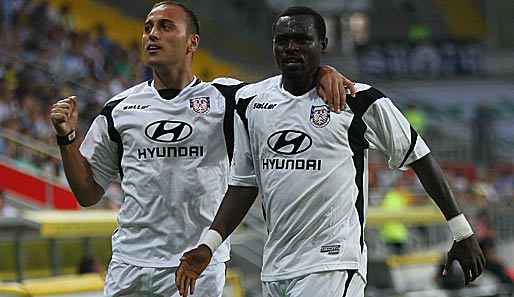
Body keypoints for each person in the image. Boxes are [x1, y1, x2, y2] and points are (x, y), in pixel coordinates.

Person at [49, 1, 355, 296]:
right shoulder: (119, 108)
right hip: (129, 264)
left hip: (196, 266)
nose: (152, 34)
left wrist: (322, 72)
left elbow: (287, 87)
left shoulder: (227, 97)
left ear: (192, 42)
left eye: (165, 27)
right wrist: (66, 138)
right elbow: (88, 193)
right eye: (147, 28)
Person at [176, 6, 485, 297]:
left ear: (322, 44)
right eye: (283, 40)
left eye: (302, 39)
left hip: (333, 264)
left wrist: (461, 230)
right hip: (276, 268)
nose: (291, 47)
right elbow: (244, 184)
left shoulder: (358, 101)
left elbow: (418, 155)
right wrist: (209, 245)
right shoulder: (251, 102)